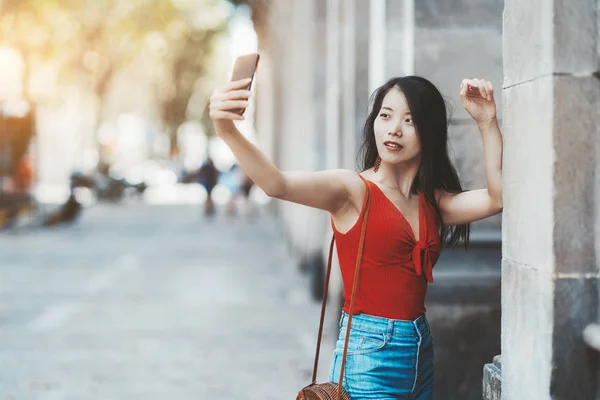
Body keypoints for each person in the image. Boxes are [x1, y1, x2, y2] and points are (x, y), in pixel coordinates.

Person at [209, 75, 503, 399]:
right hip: (368, 355)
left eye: (410, 120)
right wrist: (227, 130)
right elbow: (276, 184)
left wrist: (487, 121)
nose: (394, 129)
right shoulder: (352, 190)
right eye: (386, 115)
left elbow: (497, 198)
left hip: (420, 351)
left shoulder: (432, 201)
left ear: (429, 131)